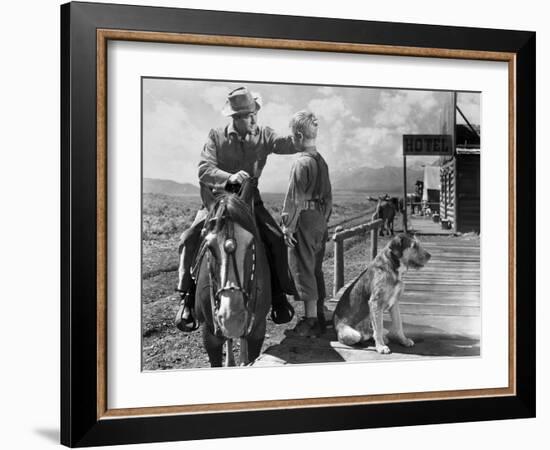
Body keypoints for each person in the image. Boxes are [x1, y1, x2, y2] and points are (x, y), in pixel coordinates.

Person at [175, 86, 299, 332]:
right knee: (189, 239)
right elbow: (203, 169)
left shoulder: (264, 134)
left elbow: (285, 144)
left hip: (251, 200)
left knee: (274, 239)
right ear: (236, 118)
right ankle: (187, 299)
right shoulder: (216, 136)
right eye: (248, 115)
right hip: (216, 200)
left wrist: (301, 135)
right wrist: (230, 177)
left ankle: (277, 297)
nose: (253, 118)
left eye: (254, 113)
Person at [281, 111, 332, 337]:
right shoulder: (321, 161)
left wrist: (288, 226)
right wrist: (324, 221)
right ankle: (320, 314)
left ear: (299, 135)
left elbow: (294, 198)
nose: (292, 140)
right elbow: (329, 197)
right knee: (316, 267)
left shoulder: (301, 163)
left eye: (292, 136)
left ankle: (310, 320)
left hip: (304, 218)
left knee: (303, 267)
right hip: (319, 219)